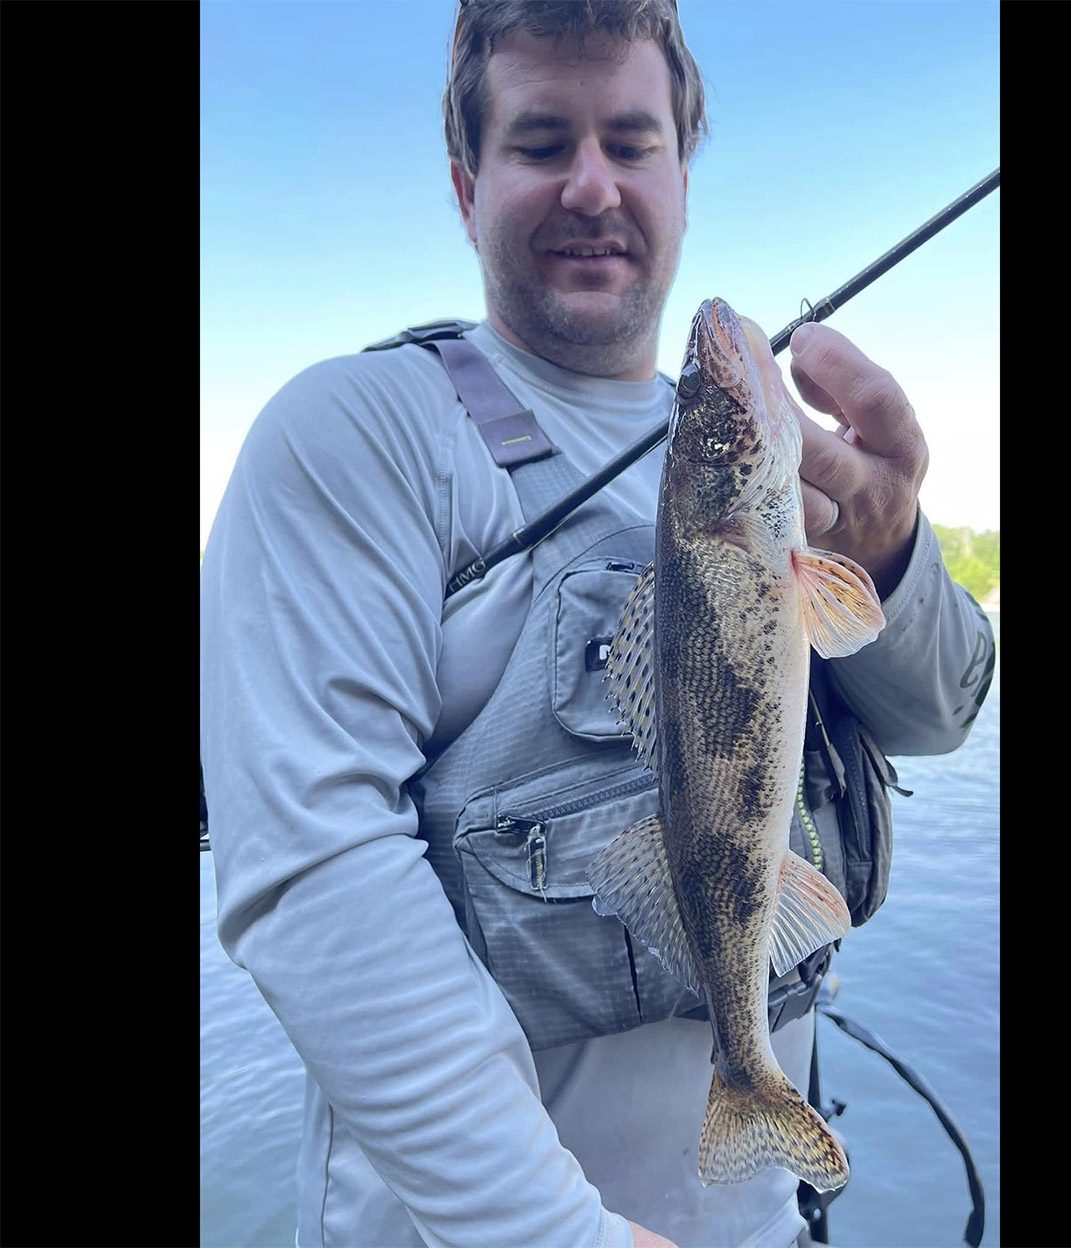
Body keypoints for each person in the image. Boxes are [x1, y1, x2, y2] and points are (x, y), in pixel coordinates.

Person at [199, 3, 996, 1246]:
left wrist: (890, 551)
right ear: (466, 185)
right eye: (539, 143)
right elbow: (315, 872)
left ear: (682, 170)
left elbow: (943, 715)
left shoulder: (785, 480)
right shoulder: (358, 434)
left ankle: (750, 1085)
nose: (591, 184)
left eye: (630, 142)